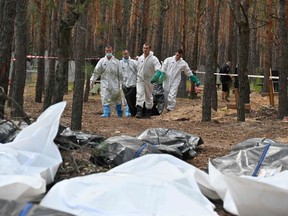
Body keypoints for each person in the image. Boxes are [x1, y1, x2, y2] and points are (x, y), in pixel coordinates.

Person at [90, 45, 123, 118]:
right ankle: (106, 112)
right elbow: (97, 71)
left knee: (117, 98)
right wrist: (92, 79)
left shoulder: (117, 62)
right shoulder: (102, 61)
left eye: (110, 51)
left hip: (115, 84)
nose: (109, 52)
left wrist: (121, 84)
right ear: (105, 51)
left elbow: (120, 74)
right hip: (105, 83)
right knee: (105, 97)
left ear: (112, 51)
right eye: (107, 51)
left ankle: (119, 112)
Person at [135, 43, 162, 118]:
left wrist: (155, 76)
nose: (145, 50)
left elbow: (159, 69)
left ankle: (148, 110)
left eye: (146, 48)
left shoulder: (154, 59)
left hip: (150, 80)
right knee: (139, 94)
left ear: (149, 49)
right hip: (140, 79)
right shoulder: (140, 58)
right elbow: (138, 68)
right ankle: (139, 111)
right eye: (144, 48)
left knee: (148, 95)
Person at [120, 50, 138, 117]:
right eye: (124, 54)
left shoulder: (133, 62)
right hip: (124, 84)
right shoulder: (120, 63)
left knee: (133, 99)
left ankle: (133, 111)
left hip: (133, 84)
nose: (125, 55)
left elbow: (139, 70)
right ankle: (129, 111)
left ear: (129, 54)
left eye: (126, 53)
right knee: (126, 99)